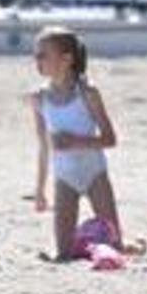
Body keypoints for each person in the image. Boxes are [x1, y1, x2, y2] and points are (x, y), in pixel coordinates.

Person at [29, 26, 125, 260]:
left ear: (66, 59)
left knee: (116, 248)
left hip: (95, 174)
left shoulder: (88, 92)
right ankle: (88, 241)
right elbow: (43, 147)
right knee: (63, 254)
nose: (37, 60)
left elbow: (110, 139)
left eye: (43, 55)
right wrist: (40, 191)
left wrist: (75, 141)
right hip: (64, 178)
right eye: (35, 55)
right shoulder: (38, 98)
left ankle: (125, 244)